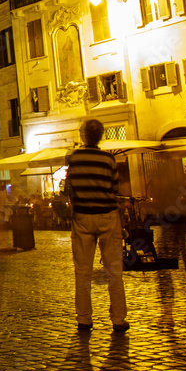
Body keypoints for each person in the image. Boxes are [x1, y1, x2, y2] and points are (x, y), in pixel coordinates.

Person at [65, 118, 127, 333]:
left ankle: (84, 318)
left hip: (83, 216)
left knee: (82, 270)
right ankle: (118, 318)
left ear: (83, 136)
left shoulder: (74, 158)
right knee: (114, 270)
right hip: (107, 215)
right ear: (101, 136)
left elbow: (68, 188)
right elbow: (115, 187)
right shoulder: (108, 159)